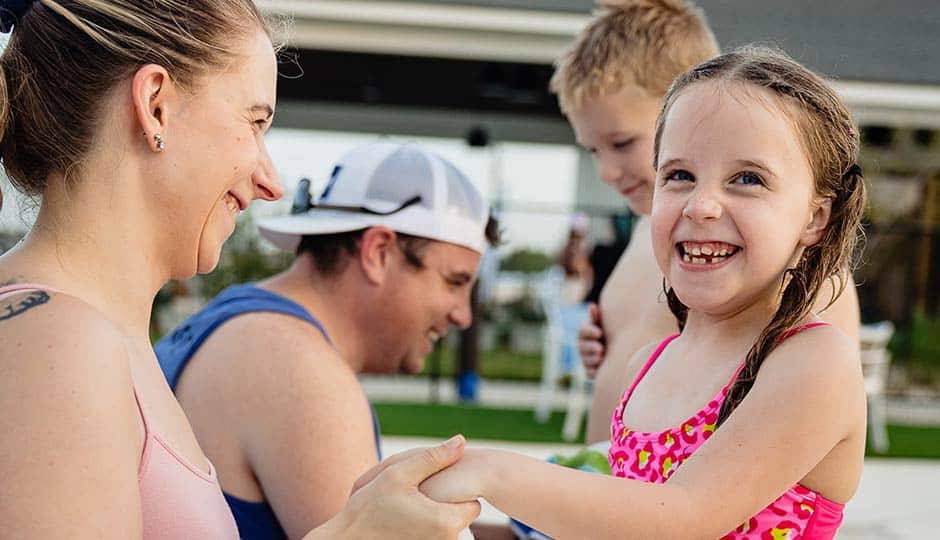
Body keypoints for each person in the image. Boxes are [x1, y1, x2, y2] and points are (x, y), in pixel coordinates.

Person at [0, 1, 478, 538]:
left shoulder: (86, 332)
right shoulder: (58, 343)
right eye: (254, 122)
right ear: (155, 105)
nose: (271, 181)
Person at [407, 46, 869, 539]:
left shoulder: (812, 361)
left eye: (748, 179)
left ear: (816, 217)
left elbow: (682, 517)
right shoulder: (650, 363)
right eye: (679, 175)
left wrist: (488, 472)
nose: (702, 205)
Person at [549, 0, 861, 444]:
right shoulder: (657, 234)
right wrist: (605, 354)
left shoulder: (790, 254)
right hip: (620, 489)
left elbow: (818, 390)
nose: (605, 171)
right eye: (593, 150)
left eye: (621, 143)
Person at [154, 140, 499, 539]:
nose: (463, 314)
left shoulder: (238, 323)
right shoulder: (299, 369)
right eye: (454, 282)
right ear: (379, 251)